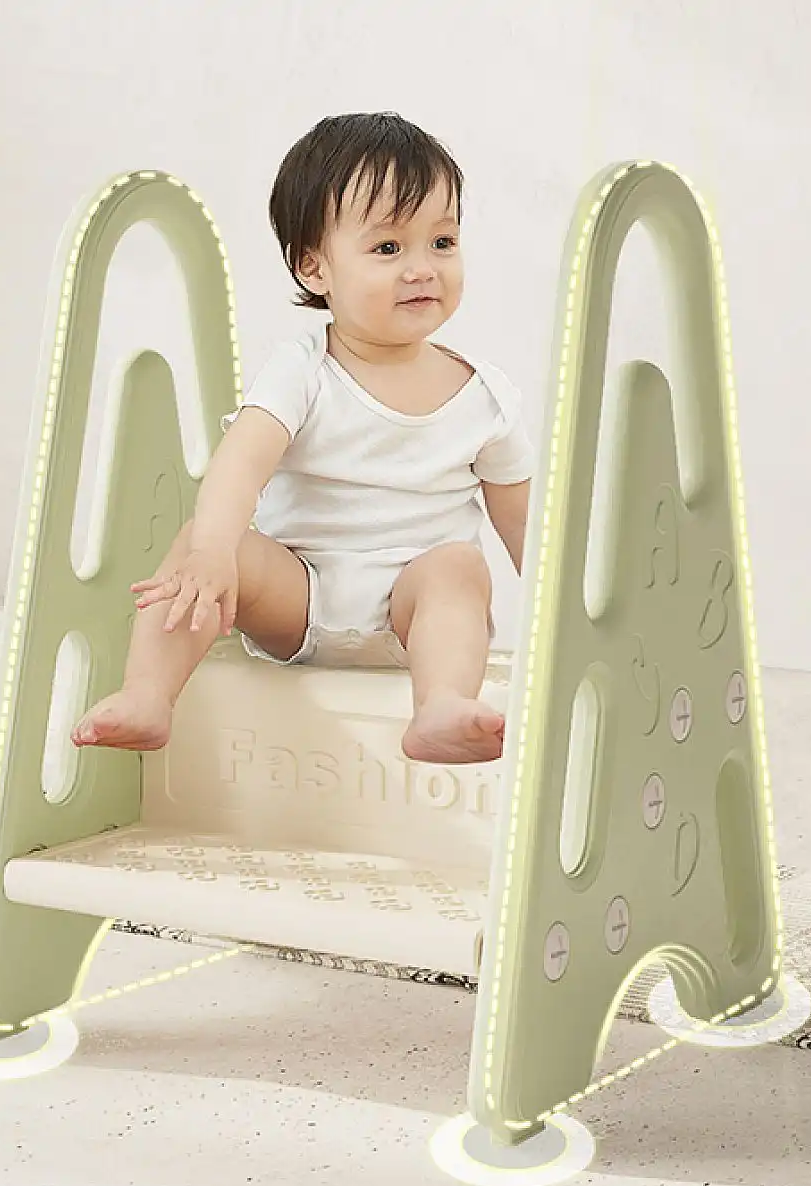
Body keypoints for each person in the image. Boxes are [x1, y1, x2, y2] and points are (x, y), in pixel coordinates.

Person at [72, 111, 533, 765]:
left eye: (442, 242)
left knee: (459, 566)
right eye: (387, 248)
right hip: (301, 596)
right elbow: (242, 463)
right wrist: (212, 551)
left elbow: (527, 526)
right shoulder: (304, 370)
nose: (422, 269)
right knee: (206, 541)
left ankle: (441, 704)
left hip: (414, 614)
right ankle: (147, 694)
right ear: (315, 269)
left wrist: (561, 623)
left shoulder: (485, 396)